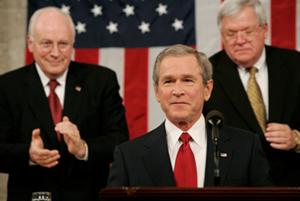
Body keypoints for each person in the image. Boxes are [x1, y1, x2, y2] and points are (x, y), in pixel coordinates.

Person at [0, 7, 128, 201]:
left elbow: (119, 141)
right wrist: (28, 154)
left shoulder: (101, 80)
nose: (56, 52)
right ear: (30, 43)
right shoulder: (7, 86)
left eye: (63, 44)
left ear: (73, 44)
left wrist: (83, 148)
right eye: (46, 43)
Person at [106, 44, 274, 187]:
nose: (177, 91)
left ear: (207, 89)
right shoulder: (129, 156)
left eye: (187, 80)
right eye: (168, 81)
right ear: (157, 92)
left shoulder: (246, 147)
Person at [203, 0, 300, 187]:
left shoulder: (295, 65)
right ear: (222, 35)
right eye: (231, 33)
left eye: (247, 31)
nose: (240, 40)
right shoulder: (206, 75)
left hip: (293, 184)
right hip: (235, 189)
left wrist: (296, 139)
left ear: (264, 29)